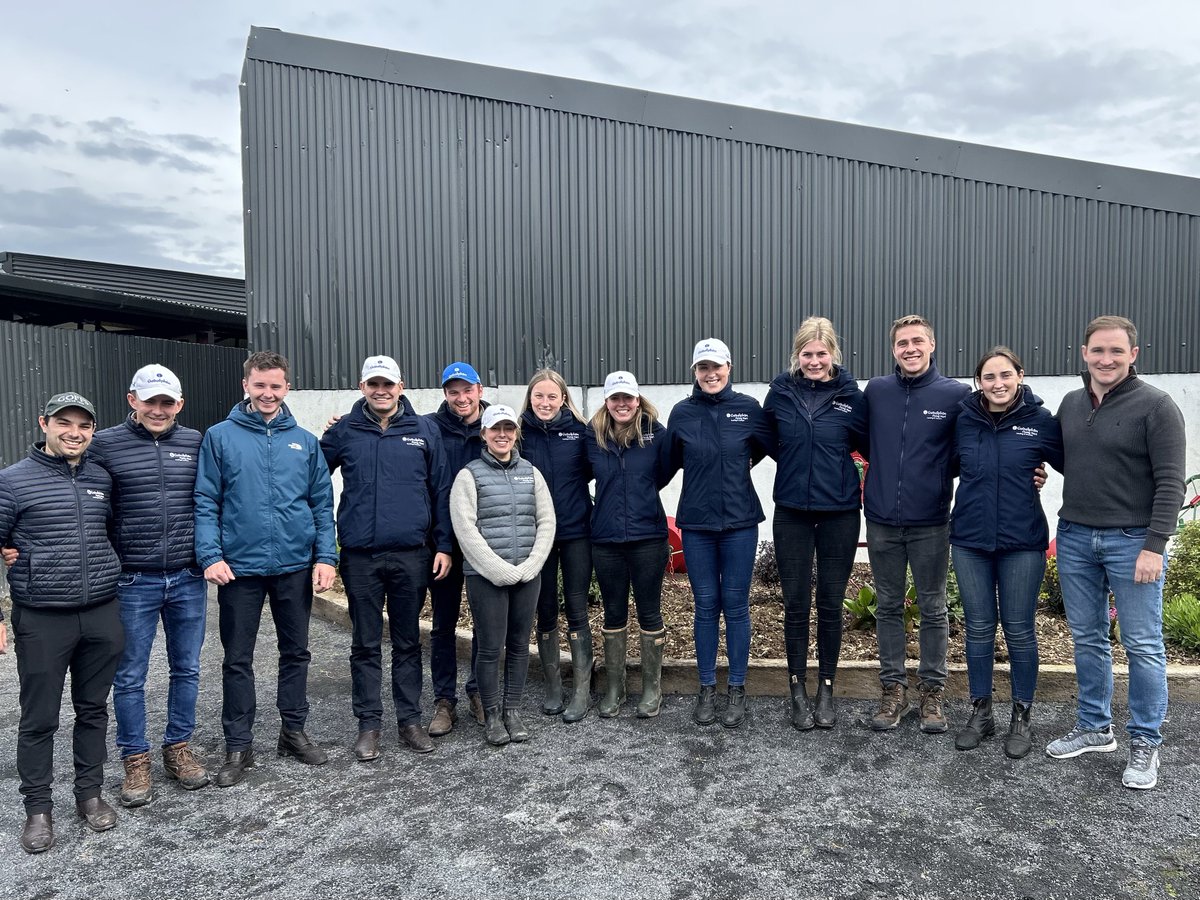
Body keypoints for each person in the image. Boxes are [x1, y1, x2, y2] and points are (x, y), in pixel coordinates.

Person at [1046, 316, 1186, 790]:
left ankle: (1145, 741)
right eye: (1098, 351)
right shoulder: (1069, 403)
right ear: (1083, 353)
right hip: (1076, 537)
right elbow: (1069, 461)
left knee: (1143, 645)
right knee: (1088, 637)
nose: (1106, 360)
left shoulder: (1157, 406)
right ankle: (1094, 726)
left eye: (1116, 352)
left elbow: (1171, 482)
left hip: (1133, 542)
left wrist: (1155, 545)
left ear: (1133, 355)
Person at [194, 351, 338, 787]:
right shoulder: (220, 438)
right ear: (246, 386)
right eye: (260, 385)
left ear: (286, 388)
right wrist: (210, 555)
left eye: (275, 386)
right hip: (238, 570)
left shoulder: (305, 441)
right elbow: (205, 501)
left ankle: (293, 731)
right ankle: (238, 744)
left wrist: (326, 557)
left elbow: (320, 504)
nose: (268, 394)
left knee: (296, 653)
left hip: (294, 566)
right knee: (238, 659)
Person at [0, 393, 123, 853]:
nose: (75, 432)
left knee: (93, 711)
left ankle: (89, 796)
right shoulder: (12, 482)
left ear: (93, 431)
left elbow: (110, 534)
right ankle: (37, 810)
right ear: (44, 424)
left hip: (99, 613)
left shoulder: (100, 478)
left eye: (84, 425)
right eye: (64, 423)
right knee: (39, 719)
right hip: (42, 617)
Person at [321, 355, 453, 760]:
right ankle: (369, 725)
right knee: (364, 644)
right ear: (362, 387)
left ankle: (409, 721)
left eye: (388, 384)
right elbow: (310, 484)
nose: (381, 390)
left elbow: (442, 490)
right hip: (360, 556)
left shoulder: (425, 430)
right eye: (373, 384)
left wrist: (444, 544)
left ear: (402, 386)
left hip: (412, 555)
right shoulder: (343, 431)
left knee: (408, 642)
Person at [92, 365, 210, 805]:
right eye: (150, 401)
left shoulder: (196, 442)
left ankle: (178, 747)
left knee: (188, 668)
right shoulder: (103, 444)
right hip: (132, 579)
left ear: (179, 404)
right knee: (130, 676)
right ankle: (135, 759)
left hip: (187, 576)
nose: (158, 410)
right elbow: (65, 483)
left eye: (167, 402)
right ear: (132, 400)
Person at [950, 348, 1064, 758]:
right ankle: (981, 712)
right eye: (988, 376)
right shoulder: (963, 420)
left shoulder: (1041, 422)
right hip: (969, 540)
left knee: (1019, 629)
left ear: (1020, 375)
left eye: (1005, 375)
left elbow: (1079, 465)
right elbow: (939, 464)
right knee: (978, 629)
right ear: (978, 380)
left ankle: (1021, 716)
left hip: (1022, 543)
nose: (998, 383)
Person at [862, 314, 971, 734]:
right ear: (894, 349)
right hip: (882, 520)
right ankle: (893, 690)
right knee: (887, 606)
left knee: (933, 608)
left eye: (917, 341)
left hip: (930, 520)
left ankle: (932, 693)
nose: (910, 348)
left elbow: (968, 452)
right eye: (902, 343)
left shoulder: (954, 395)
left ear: (932, 345)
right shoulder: (877, 391)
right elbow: (860, 438)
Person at [662, 339, 773, 729]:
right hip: (697, 525)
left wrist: (734, 466)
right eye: (702, 368)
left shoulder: (748, 409)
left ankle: (737, 687)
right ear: (695, 372)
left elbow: (764, 448)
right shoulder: (682, 413)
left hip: (741, 523)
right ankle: (707, 687)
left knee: (737, 605)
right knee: (707, 605)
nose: (710, 374)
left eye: (717, 367)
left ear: (729, 367)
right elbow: (667, 463)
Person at [764, 318, 867, 731]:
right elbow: (766, 440)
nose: (814, 360)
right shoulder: (779, 393)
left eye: (821, 353)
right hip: (792, 510)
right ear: (797, 355)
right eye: (807, 353)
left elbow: (870, 442)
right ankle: (797, 689)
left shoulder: (851, 397)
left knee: (829, 602)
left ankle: (826, 686)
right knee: (794, 603)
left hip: (840, 510)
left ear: (833, 356)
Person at [449, 405, 555, 746]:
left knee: (520, 646)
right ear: (484, 433)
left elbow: (547, 521)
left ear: (516, 433)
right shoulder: (469, 475)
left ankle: (513, 710)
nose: (502, 435)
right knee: (490, 648)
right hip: (485, 578)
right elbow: (465, 530)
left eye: (509, 429)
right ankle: (492, 713)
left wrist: (530, 566)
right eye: (495, 429)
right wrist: (498, 570)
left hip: (528, 574)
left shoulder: (531, 473)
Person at [586, 371, 671, 720]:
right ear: (606, 401)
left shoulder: (657, 435)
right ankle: (615, 688)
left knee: (649, 610)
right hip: (605, 539)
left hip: (648, 536)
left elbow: (663, 473)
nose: (622, 404)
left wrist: (641, 497)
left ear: (638, 400)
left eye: (628, 398)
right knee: (613, 612)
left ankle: (652, 689)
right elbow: (578, 475)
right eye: (615, 398)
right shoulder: (591, 438)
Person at [519, 369, 594, 720]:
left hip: (577, 530)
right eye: (539, 396)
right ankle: (552, 685)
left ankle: (581, 689)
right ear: (530, 398)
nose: (545, 403)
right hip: (537, 537)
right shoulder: (518, 433)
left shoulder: (580, 433)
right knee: (544, 608)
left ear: (563, 399)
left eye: (552, 396)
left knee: (577, 607)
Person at [425, 361, 489, 736]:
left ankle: (479, 691)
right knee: (443, 624)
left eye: (467, 390)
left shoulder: (497, 426)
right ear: (445, 394)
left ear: (479, 390)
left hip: (485, 544)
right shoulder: (430, 429)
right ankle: (444, 700)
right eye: (453, 391)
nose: (461, 398)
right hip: (444, 544)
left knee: (485, 621)